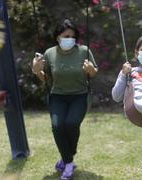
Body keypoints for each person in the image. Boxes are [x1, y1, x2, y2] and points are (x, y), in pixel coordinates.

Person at [32, 19, 98, 180]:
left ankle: (66, 158)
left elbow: (93, 72)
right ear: (57, 37)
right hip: (57, 96)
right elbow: (46, 78)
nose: (70, 39)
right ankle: (68, 162)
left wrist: (91, 70)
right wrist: (36, 70)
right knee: (57, 126)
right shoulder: (49, 53)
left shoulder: (84, 51)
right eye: (66, 36)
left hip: (80, 95)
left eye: (73, 36)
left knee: (71, 123)